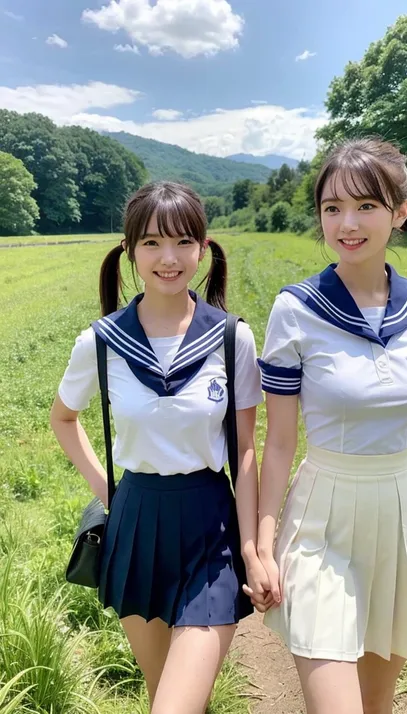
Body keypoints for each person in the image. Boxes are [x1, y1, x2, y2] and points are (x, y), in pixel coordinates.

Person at [50, 181, 268, 714]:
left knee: (174, 705)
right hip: (137, 521)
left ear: (203, 247)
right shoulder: (100, 342)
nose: (168, 258)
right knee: (161, 695)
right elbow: (63, 418)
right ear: (129, 250)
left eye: (182, 242)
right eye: (151, 243)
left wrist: (252, 550)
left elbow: (244, 452)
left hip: (211, 527)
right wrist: (110, 491)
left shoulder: (231, 338)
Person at [256, 138, 407, 714]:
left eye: (366, 205)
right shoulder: (296, 309)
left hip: (400, 510)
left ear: (400, 212)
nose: (347, 223)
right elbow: (280, 443)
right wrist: (262, 548)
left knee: (377, 706)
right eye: (332, 207)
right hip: (324, 518)